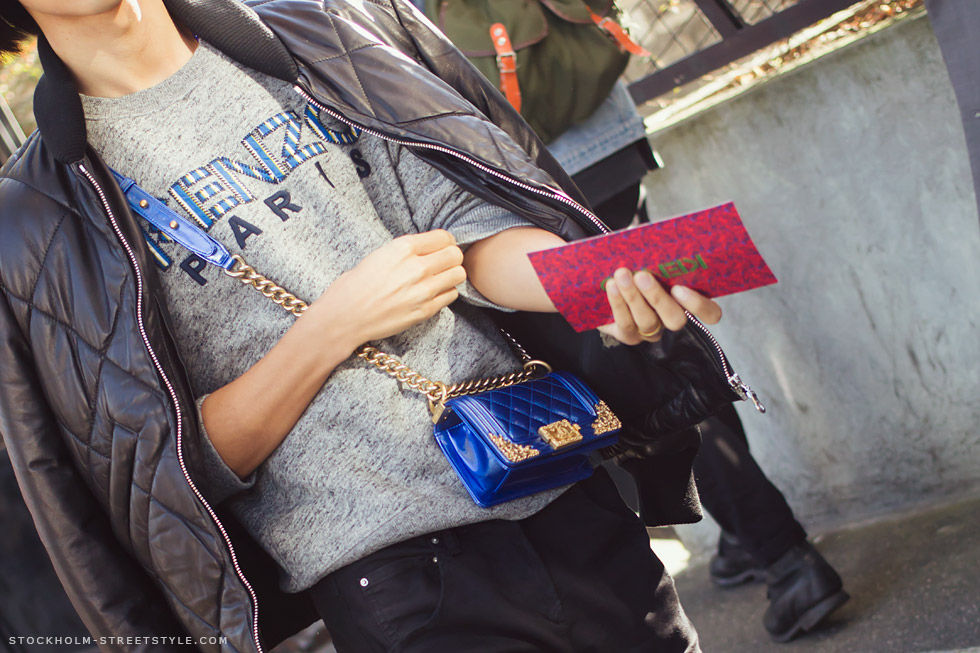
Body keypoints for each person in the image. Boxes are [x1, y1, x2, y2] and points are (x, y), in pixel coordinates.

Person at [0, 0, 740, 650]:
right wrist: (334, 325)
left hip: (558, 480)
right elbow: (170, 470)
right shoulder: (37, 218)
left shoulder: (314, 37)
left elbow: (467, 231)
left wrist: (603, 282)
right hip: (393, 576)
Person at [412, 0, 848, 642]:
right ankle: (746, 535)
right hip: (603, 137)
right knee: (660, 339)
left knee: (641, 363)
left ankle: (785, 555)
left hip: (524, 175)